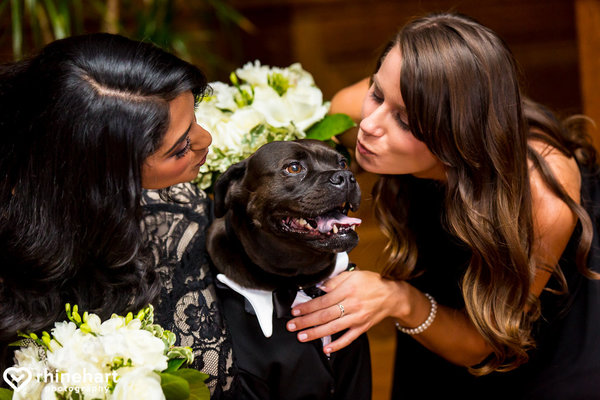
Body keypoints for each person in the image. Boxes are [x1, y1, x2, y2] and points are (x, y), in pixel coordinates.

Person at [286, 12, 600, 398]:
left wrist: (399, 300)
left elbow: (484, 343)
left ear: (457, 140)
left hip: (532, 332)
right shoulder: (356, 112)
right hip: (439, 287)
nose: (369, 124)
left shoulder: (542, 200)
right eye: (377, 92)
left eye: (405, 121)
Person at [0, 33, 237, 398]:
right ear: (105, 179)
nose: (206, 139)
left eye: (195, 119)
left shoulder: (180, 206)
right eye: (181, 147)